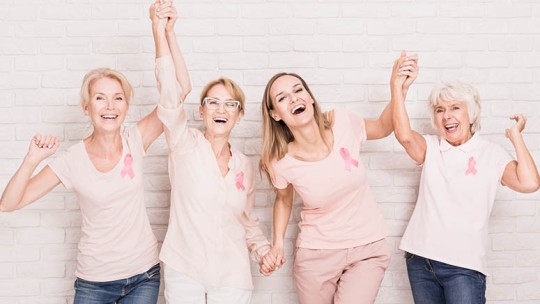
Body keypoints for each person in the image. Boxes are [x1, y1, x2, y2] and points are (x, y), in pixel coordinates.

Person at [0, 37, 164, 304]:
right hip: (94, 283)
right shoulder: (72, 159)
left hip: (144, 276)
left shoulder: (136, 139)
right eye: (100, 98)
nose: (110, 106)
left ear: (126, 106)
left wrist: (161, 31)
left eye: (118, 98)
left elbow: (176, 95)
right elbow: (8, 204)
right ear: (86, 107)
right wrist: (32, 159)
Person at [257, 60, 416, 303]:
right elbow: (283, 200)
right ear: (275, 114)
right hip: (315, 256)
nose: (294, 99)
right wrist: (277, 244)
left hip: (367, 249)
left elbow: (384, 127)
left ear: (310, 98)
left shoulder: (342, 122)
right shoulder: (279, 160)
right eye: (282, 98)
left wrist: (398, 88)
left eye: (299, 90)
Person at [391, 51, 540, 304]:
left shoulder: (491, 154)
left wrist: (516, 137)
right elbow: (404, 136)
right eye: (440, 110)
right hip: (420, 260)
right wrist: (396, 86)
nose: (446, 115)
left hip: (464, 268)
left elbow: (529, 183)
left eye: (455, 108)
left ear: (471, 114)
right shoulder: (431, 147)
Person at [150, 1, 271, 303]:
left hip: (233, 276)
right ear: (202, 111)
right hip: (184, 268)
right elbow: (169, 89)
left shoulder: (244, 165)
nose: (221, 109)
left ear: (239, 115)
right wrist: (163, 33)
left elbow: (246, 221)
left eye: (230, 104)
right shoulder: (183, 143)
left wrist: (264, 252)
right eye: (213, 102)